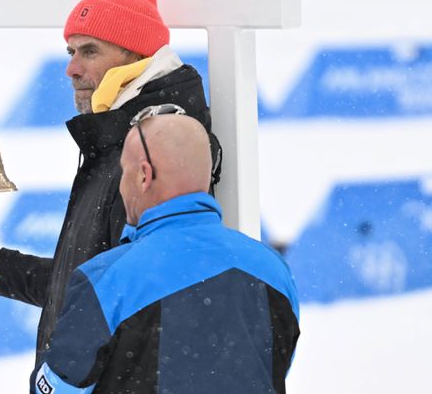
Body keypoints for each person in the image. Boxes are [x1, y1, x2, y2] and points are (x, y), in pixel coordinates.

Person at [0, 0, 221, 380]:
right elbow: (91, 283)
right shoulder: (118, 138)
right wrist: (1, 267)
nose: (71, 69)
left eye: (89, 51)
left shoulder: (155, 150)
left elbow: (133, 303)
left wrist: (66, 383)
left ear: (134, 59)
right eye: (70, 51)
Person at [35, 107, 300, 394]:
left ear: (144, 176)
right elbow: (275, 367)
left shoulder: (106, 280)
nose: (121, 185)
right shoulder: (273, 270)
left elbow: (57, 390)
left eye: (124, 171)